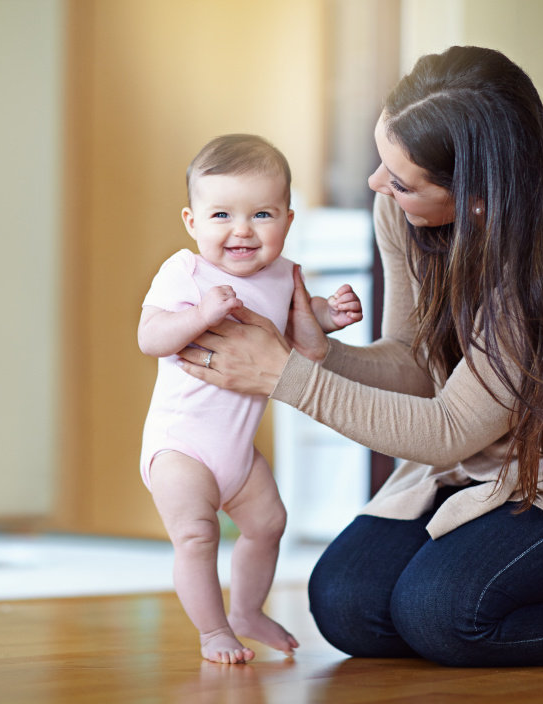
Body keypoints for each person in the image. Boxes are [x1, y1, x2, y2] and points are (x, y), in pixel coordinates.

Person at [175, 48, 543, 666]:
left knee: (445, 617)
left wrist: (284, 377)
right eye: (381, 162)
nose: (377, 187)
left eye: (400, 180)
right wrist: (317, 352)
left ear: (474, 199)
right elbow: (415, 366)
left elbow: (448, 429)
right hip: (484, 464)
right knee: (346, 606)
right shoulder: (403, 214)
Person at [138, 134, 362, 665]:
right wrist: (199, 315)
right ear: (193, 223)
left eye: (262, 214)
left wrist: (331, 314)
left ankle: (247, 610)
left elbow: (303, 336)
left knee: (269, 524)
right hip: (180, 446)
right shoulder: (186, 272)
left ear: (287, 220)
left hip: (237, 453)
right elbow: (150, 337)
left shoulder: (285, 276)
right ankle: (214, 631)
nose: (241, 230)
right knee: (197, 534)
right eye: (222, 215)